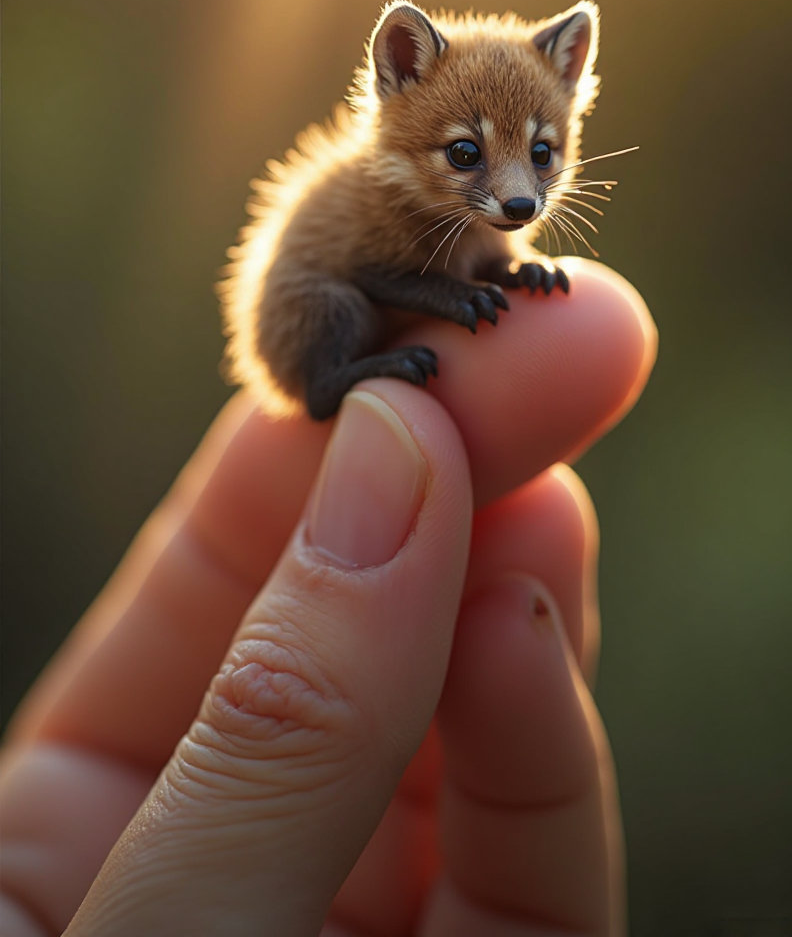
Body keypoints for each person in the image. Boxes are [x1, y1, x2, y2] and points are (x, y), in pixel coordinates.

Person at [0, 259, 656, 937]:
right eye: (465, 151)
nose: (521, 195)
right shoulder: (389, 211)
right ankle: (340, 377)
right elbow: (377, 267)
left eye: (544, 161)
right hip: (319, 330)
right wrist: (455, 301)